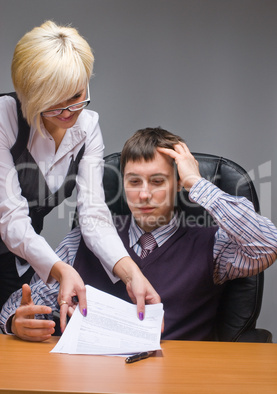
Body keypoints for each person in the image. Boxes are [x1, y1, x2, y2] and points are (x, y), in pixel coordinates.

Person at [1, 127, 277, 342]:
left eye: (157, 181)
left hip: (177, 380)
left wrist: (197, 183)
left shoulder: (212, 245)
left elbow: (267, 245)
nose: (144, 194)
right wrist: (17, 322)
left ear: (178, 183)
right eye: (134, 182)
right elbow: (19, 306)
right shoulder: (85, 239)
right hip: (94, 381)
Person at [0, 21, 160, 328]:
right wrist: (61, 270)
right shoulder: (5, 117)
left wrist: (131, 272)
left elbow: (93, 215)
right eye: (51, 103)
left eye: (76, 96)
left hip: (15, 255)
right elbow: (12, 218)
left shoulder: (87, 128)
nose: (67, 113)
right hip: (14, 233)